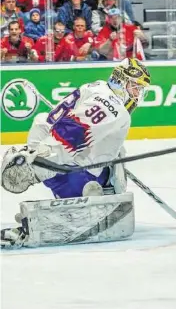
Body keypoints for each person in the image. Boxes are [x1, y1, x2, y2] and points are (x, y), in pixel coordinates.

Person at [1, 58, 151, 248]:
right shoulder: (113, 107)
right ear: (121, 81)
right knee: (111, 154)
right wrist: (37, 166)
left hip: (62, 163)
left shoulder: (96, 86)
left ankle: (86, 186)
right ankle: (89, 192)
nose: (137, 95)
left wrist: (36, 154)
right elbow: (72, 133)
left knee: (41, 121)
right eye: (135, 87)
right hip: (71, 171)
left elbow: (53, 124)